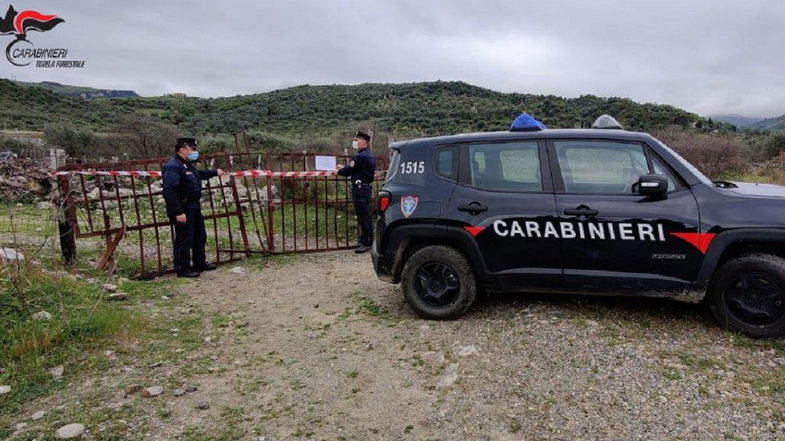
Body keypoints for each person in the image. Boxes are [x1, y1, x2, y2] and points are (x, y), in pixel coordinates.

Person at [162, 137, 225, 277]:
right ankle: (182, 268)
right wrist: (178, 212)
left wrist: (214, 172)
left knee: (199, 235)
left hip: (193, 206)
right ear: (182, 149)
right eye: (192, 149)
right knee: (185, 238)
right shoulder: (173, 166)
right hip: (182, 207)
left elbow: (198, 175)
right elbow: (169, 191)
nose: (194, 151)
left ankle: (199, 263)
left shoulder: (187, 164)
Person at [337, 131, 377, 253]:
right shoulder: (367, 155)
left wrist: (339, 171)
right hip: (363, 188)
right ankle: (364, 239)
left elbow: (349, 170)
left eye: (357, 139)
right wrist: (344, 168)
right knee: (362, 216)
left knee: (364, 216)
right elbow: (354, 169)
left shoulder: (362, 156)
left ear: (364, 141)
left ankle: (367, 242)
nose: (355, 142)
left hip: (361, 189)